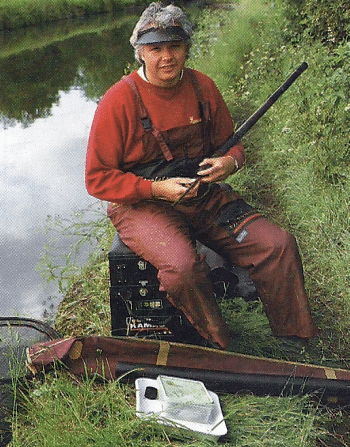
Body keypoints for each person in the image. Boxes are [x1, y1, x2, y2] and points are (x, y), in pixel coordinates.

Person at [85, 2, 318, 350]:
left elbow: (234, 148)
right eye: (156, 48)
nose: (167, 57)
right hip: (141, 204)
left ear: (186, 49)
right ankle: (219, 346)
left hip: (202, 195)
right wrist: (155, 189)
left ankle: (294, 340)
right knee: (182, 268)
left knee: (277, 244)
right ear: (140, 53)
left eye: (174, 47)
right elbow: (97, 179)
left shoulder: (202, 87)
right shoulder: (118, 101)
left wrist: (229, 164)